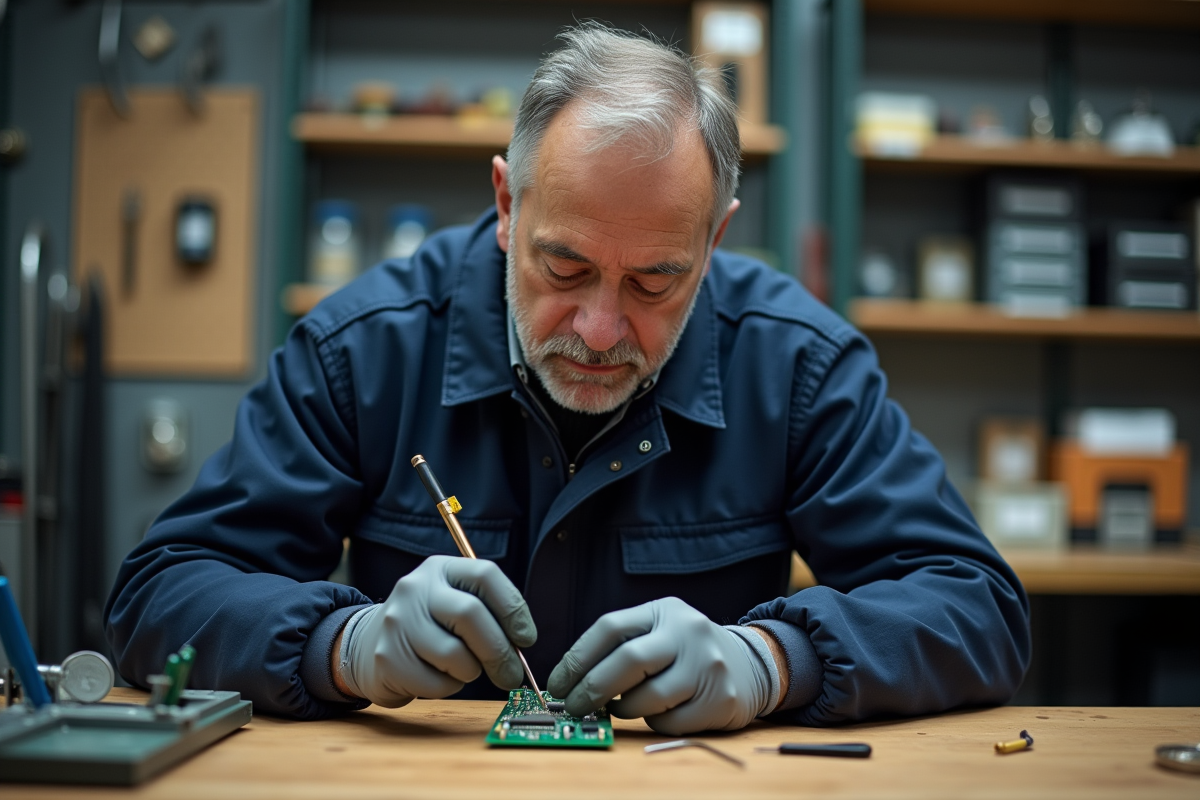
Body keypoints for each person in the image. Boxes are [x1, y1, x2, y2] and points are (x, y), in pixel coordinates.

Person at [106, 24, 1029, 733]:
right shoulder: (366, 347)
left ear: (715, 240)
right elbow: (160, 592)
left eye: (654, 282)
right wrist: (341, 646)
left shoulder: (798, 364)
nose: (598, 330)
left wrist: (772, 661)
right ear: (508, 205)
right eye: (565, 268)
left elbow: (976, 607)